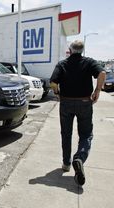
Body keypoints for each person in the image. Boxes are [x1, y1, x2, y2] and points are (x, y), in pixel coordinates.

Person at [50, 40, 106, 186]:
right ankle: (79, 158)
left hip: (66, 103)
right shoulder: (89, 62)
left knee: (66, 133)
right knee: (86, 134)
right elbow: (102, 73)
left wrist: (57, 93)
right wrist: (97, 91)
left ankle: (66, 164)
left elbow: (53, 82)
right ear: (82, 50)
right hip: (84, 103)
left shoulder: (62, 64)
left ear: (70, 49)